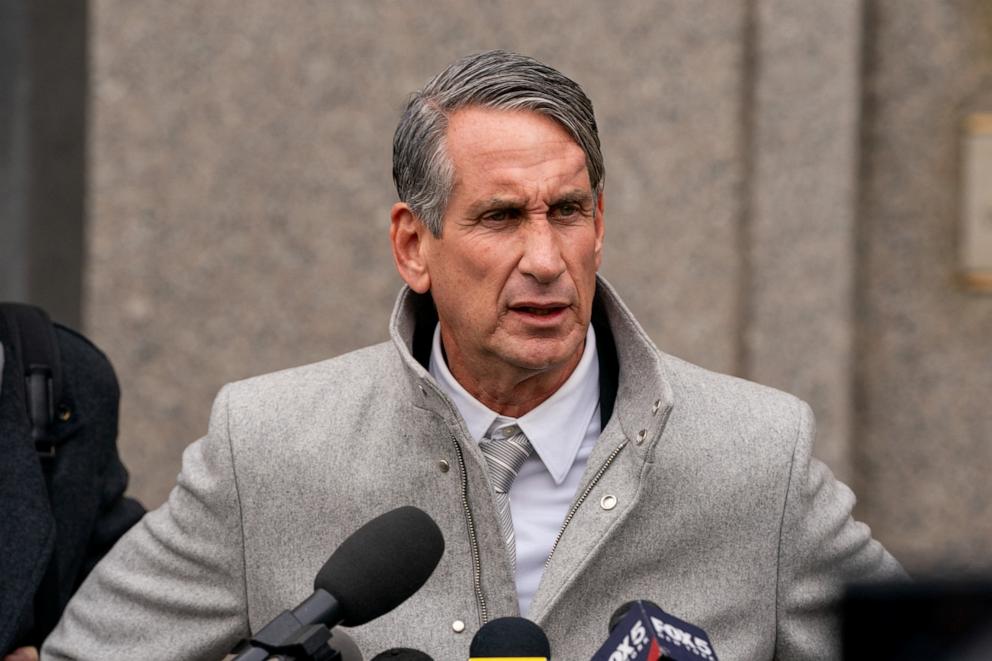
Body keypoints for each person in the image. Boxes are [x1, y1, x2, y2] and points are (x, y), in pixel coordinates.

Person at [40, 50, 904, 660]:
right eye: (501, 217)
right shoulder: (264, 445)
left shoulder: (759, 456)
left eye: (567, 212)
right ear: (414, 245)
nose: (544, 257)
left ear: (599, 227)